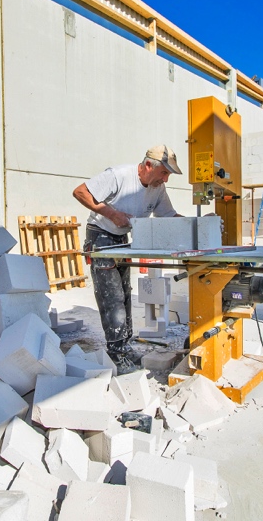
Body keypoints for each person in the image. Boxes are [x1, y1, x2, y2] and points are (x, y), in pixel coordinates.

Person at [73, 145, 182, 371]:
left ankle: (125, 347)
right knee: (111, 298)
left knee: (124, 296)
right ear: (149, 165)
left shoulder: (157, 188)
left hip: (122, 240)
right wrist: (112, 214)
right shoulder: (119, 176)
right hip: (101, 236)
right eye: (164, 173)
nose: (166, 179)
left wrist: (200, 224)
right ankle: (116, 354)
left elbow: (170, 216)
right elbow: (80, 192)